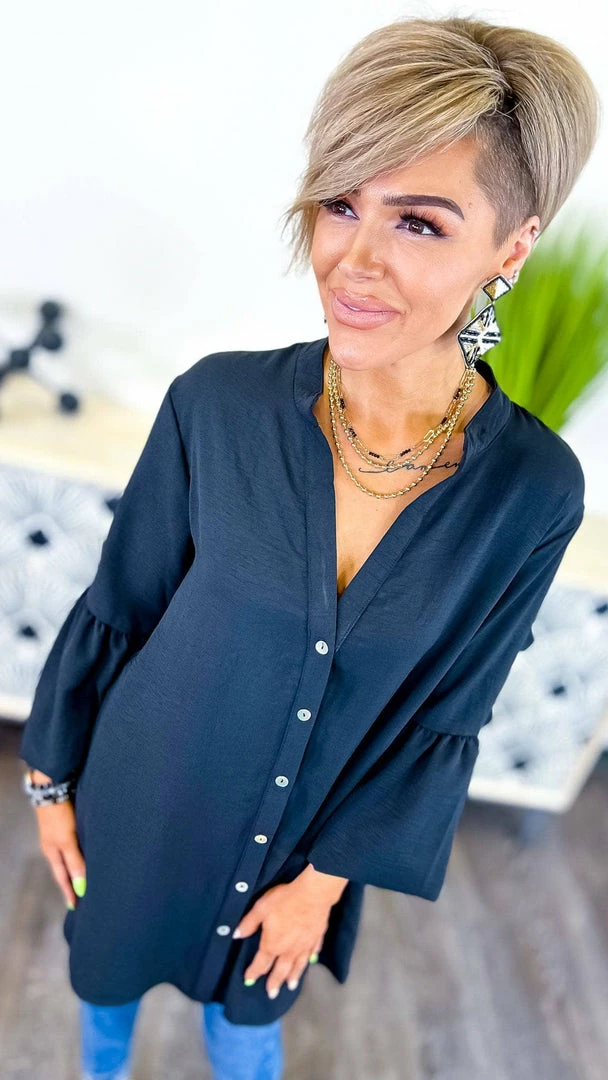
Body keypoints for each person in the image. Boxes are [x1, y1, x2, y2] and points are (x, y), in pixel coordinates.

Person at [19, 14, 600, 1080]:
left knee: (247, 1036)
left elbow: (444, 716)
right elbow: (122, 606)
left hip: (298, 856)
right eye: (339, 203)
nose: (353, 260)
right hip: (140, 799)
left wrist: (320, 886)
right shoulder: (215, 404)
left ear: (510, 250)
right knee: (100, 997)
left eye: (418, 222)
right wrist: (53, 784)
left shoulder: (531, 493)